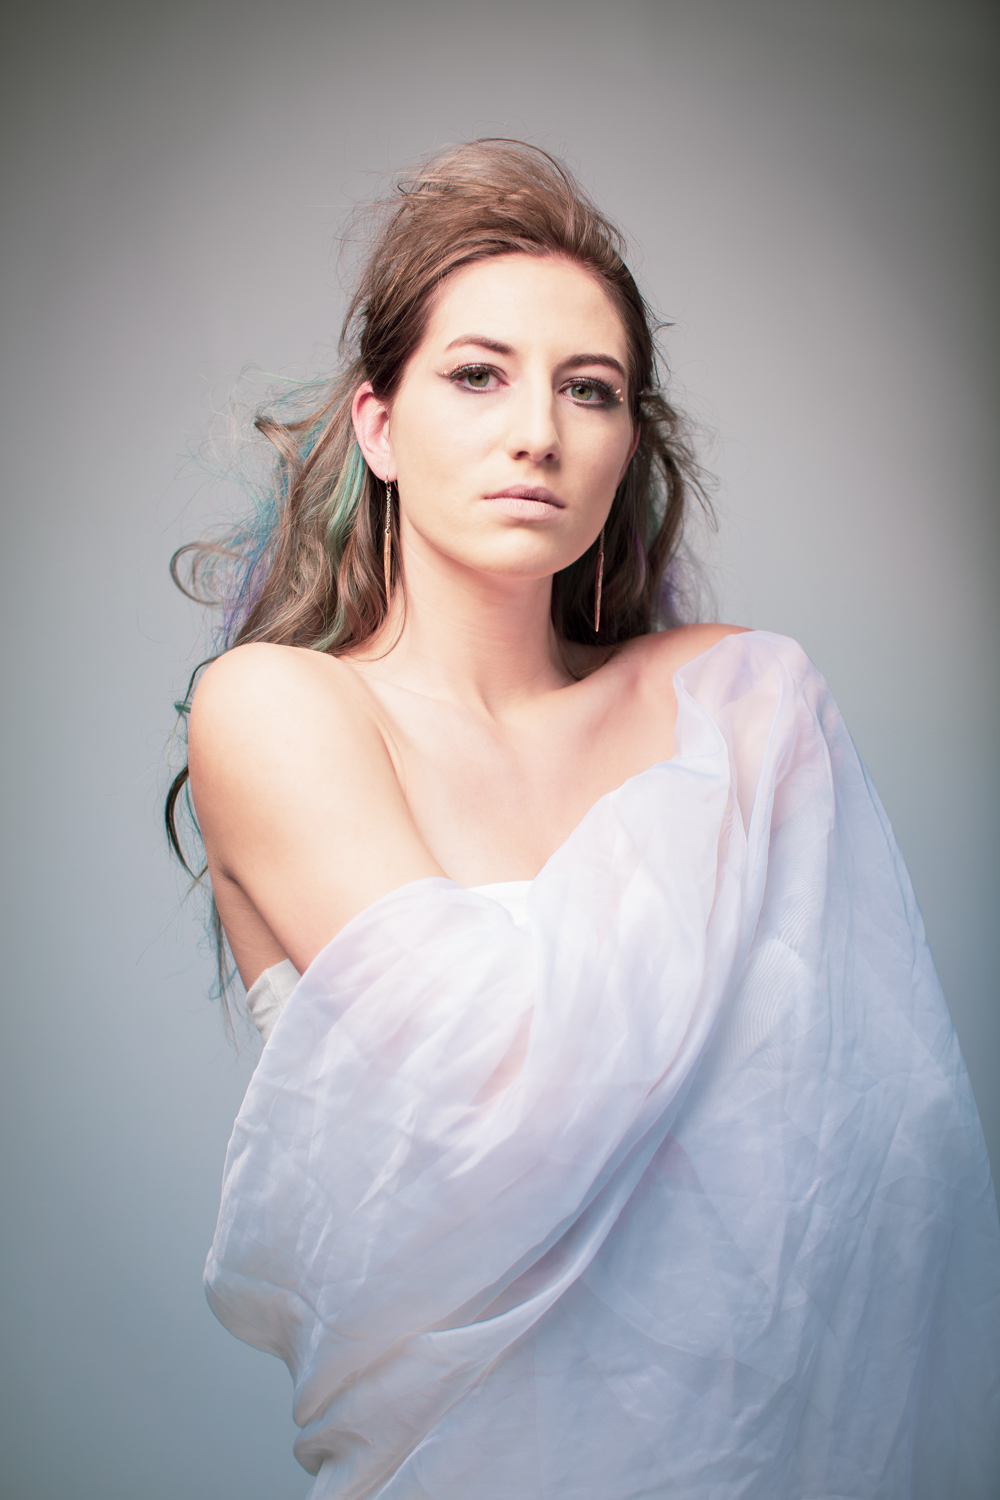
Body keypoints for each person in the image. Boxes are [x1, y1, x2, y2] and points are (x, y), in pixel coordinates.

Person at [169, 141, 1000, 1498]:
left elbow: (869, 1166)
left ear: (627, 446)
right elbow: (495, 1111)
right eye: (477, 374)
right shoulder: (277, 706)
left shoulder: (741, 700)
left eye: (589, 388)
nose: (539, 433)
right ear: (378, 426)